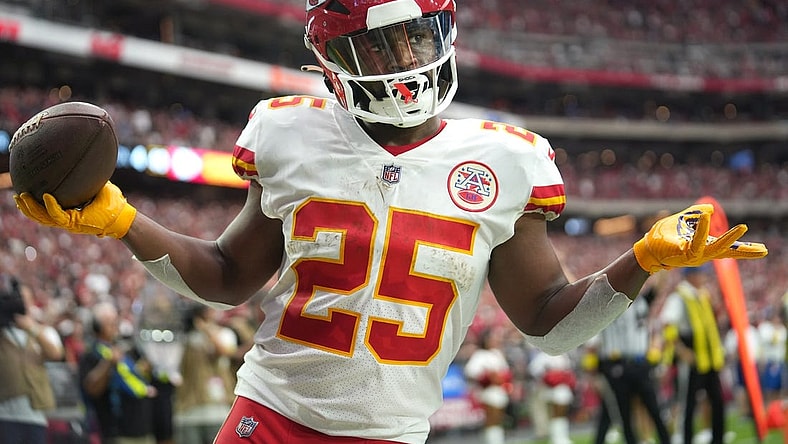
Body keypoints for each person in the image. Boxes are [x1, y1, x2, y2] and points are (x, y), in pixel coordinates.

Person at [12, 0, 768, 442]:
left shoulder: (508, 159)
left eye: (414, 34)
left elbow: (548, 323)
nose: (403, 57)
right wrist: (124, 221)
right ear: (332, 55)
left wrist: (638, 262)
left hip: (390, 436)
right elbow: (228, 275)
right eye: (378, 42)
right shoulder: (288, 131)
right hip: (269, 416)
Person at [589, 285, 671, 444]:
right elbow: (593, 345)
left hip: (639, 363)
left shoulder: (642, 301)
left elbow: (659, 283)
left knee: (653, 409)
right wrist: (593, 374)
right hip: (616, 365)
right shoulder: (605, 307)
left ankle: (662, 440)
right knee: (622, 413)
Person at [660, 266, 727, 444]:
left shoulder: (703, 295)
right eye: (701, 273)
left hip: (709, 358)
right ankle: (685, 439)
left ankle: (718, 439)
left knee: (717, 402)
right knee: (687, 405)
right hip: (692, 358)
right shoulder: (678, 297)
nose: (704, 277)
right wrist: (681, 350)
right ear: (691, 275)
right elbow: (667, 325)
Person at [79, 301, 158, 444]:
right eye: (110, 322)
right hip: (114, 431)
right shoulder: (91, 354)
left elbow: (135, 377)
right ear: (97, 326)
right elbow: (92, 388)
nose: (116, 326)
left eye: (116, 321)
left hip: (142, 427)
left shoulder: (126, 349)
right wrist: (108, 363)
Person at [0, 273, 64, 444]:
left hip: (35, 416)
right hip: (4, 415)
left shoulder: (42, 331)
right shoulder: (2, 333)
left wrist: (31, 328)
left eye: (22, 299)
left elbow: (56, 354)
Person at [174, 305, 238, 444]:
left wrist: (207, 330)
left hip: (217, 410)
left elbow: (224, 352)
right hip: (188, 410)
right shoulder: (186, 338)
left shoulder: (225, 334)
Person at [463, 328, 512, 444]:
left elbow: (506, 372)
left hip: (500, 390)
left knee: (498, 419)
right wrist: (486, 376)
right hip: (487, 392)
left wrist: (499, 377)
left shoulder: (497, 354)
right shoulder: (480, 355)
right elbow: (470, 372)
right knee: (491, 419)